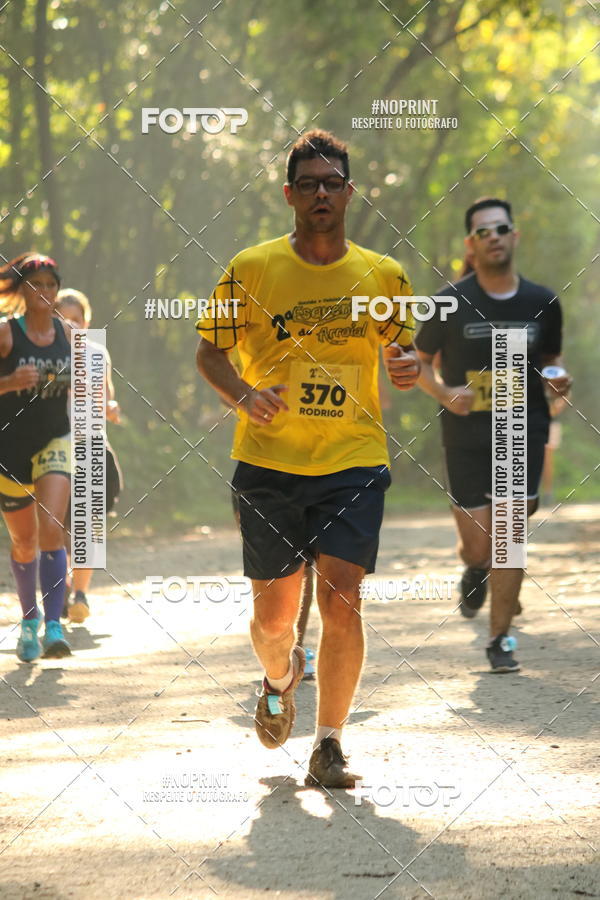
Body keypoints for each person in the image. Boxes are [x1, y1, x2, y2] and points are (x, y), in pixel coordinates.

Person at [195, 129, 420, 787]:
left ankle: (328, 745)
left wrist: (407, 368)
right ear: (290, 193)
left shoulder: (384, 274)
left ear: (349, 194)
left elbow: (405, 354)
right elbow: (210, 350)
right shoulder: (252, 268)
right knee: (272, 619)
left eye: (333, 183)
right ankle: (278, 676)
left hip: (353, 458)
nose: (321, 192)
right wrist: (243, 394)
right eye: (309, 183)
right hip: (268, 465)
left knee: (343, 598)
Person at [415, 197, 572, 673]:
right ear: (472, 243)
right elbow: (418, 364)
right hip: (464, 434)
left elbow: (551, 361)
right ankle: (473, 568)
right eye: (484, 231)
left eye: (501, 228)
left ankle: (500, 639)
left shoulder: (542, 301)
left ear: (514, 236)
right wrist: (443, 393)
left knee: (510, 535)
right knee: (479, 547)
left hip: (520, 427)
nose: (494, 236)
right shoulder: (449, 302)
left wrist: (558, 376)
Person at [0, 253, 72, 660]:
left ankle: (54, 625)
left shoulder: (70, 333)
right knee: (24, 542)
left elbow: (90, 390)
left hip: (54, 443)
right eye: (36, 285)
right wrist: (8, 382)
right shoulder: (7, 334)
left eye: (50, 284)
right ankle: (28, 621)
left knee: (50, 527)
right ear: (23, 292)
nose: (44, 292)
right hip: (9, 449)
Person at [54, 289, 123, 623]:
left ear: (87, 322)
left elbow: (108, 395)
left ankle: (80, 594)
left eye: (76, 319)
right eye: (62, 318)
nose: (70, 324)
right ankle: (64, 586)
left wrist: (110, 407)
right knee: (59, 529)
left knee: (88, 526)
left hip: (91, 445)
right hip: (52, 450)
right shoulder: (46, 354)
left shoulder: (98, 352)